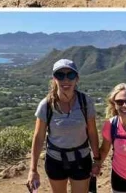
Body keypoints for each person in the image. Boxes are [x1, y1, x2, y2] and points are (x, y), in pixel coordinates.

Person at [27, 60, 99, 193]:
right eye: (60, 75)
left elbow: (92, 132)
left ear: (77, 78)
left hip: (81, 159)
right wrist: (33, 170)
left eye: (70, 75)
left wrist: (97, 160)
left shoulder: (85, 102)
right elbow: (38, 137)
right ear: (54, 79)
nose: (66, 80)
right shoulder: (46, 105)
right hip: (55, 160)